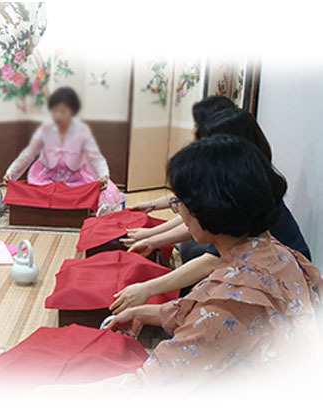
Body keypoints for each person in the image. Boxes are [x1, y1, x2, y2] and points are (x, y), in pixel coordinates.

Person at [105, 136, 321, 391]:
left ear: (208, 208)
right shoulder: (275, 251)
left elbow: (151, 386)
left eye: (180, 203)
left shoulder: (232, 302)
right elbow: (204, 308)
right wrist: (144, 313)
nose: (179, 211)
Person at [111, 108, 312, 313]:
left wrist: (148, 288)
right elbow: (195, 216)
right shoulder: (245, 184)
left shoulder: (244, 199)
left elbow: (208, 256)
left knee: (190, 255)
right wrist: (152, 235)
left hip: (278, 291)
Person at [2, 86, 124, 211]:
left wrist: (103, 175)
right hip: (46, 178)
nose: (58, 116)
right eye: (55, 111)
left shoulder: (82, 131)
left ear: (72, 112)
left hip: (77, 179)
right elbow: (28, 154)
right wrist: (11, 172)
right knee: (40, 199)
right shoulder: (45, 130)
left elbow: (95, 158)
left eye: (63, 111)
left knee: (87, 198)